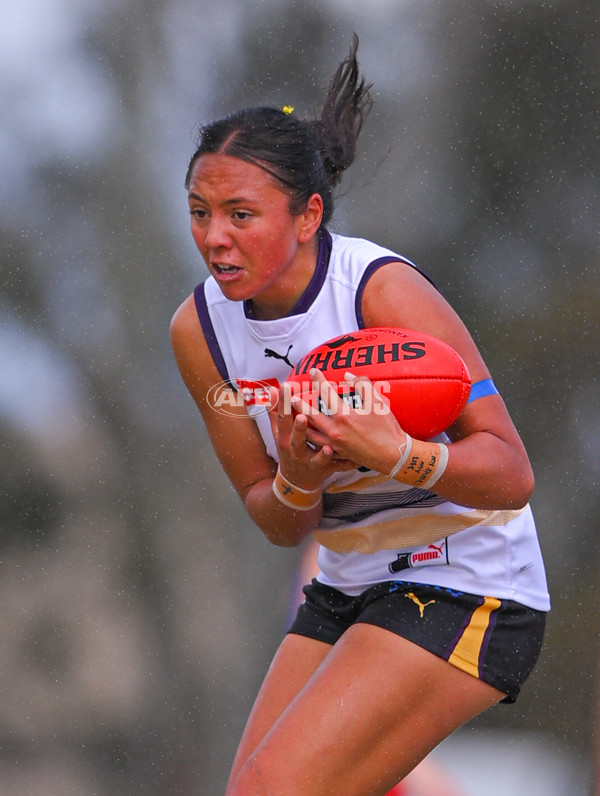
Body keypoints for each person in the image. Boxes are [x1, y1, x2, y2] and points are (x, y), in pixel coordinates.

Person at [170, 34, 550, 796]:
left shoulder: (380, 292)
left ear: (308, 215)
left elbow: (512, 474)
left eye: (241, 214)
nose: (215, 237)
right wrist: (298, 478)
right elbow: (279, 520)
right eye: (200, 213)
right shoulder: (199, 332)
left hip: (470, 581)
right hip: (350, 583)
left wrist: (399, 453)